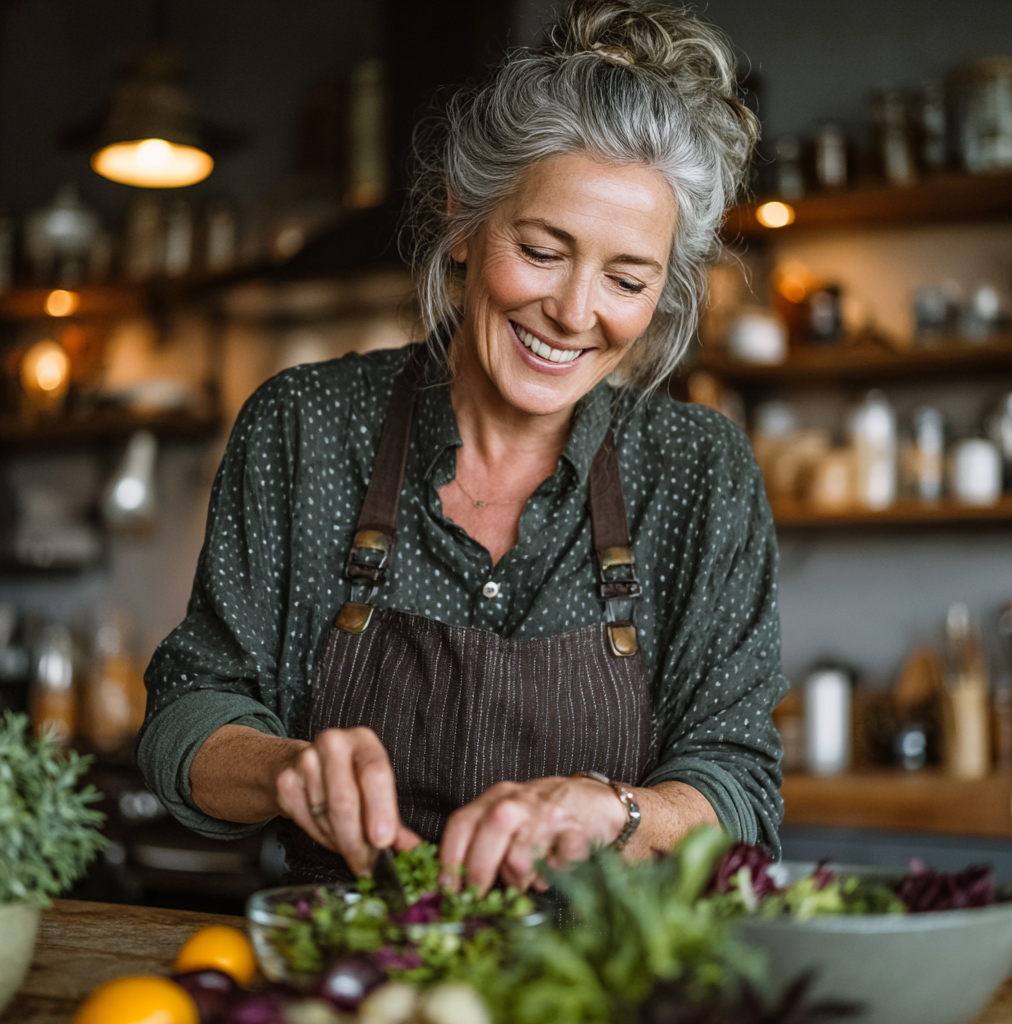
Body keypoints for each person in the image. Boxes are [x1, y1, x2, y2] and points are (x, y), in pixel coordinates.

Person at [138, 0, 787, 894]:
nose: (573, 310)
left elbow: (740, 786)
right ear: (464, 219)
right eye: (542, 249)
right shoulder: (303, 427)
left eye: (626, 278)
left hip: (605, 980)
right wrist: (287, 770)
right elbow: (187, 716)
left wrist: (621, 812)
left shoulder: (700, 471)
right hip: (359, 970)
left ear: (662, 291)